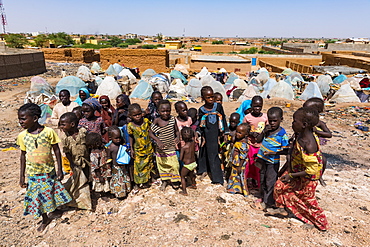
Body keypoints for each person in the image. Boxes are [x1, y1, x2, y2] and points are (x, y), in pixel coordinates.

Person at [271, 107, 329, 231]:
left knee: (308, 202)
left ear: (304, 124)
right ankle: (283, 209)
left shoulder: (309, 144)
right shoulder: (301, 136)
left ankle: (321, 223)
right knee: (280, 186)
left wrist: (291, 175)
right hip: (298, 171)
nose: (292, 123)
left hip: (308, 177)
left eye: (294, 121)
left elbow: (311, 170)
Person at [17, 103, 72, 232]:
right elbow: (23, 156)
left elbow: (57, 151)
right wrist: (21, 176)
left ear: (35, 118)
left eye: (23, 119)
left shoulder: (48, 132)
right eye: (19, 119)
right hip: (34, 173)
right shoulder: (22, 136)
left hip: (49, 170)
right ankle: (45, 218)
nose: (20, 122)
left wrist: (59, 169)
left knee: (51, 191)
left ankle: (53, 210)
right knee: (38, 196)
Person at [252, 107, 289, 210]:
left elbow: (286, 150)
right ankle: (264, 197)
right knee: (262, 178)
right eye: (270, 120)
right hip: (262, 159)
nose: (272, 123)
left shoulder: (282, 134)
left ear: (281, 119)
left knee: (270, 181)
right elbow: (258, 140)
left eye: (275, 121)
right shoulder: (267, 129)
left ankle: (269, 202)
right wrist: (263, 132)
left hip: (272, 162)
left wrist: (272, 152)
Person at [59, 112, 92, 210]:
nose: (61, 127)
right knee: (78, 180)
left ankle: (90, 192)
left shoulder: (83, 132)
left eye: (63, 124)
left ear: (72, 124)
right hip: (76, 162)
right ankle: (78, 200)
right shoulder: (65, 137)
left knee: (88, 176)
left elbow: (89, 145)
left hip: (86, 160)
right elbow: (67, 152)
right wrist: (71, 164)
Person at [198, 86, 229, 185]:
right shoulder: (202, 110)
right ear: (203, 98)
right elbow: (200, 124)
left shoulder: (218, 107)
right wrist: (199, 134)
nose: (211, 99)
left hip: (217, 134)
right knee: (207, 153)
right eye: (208, 97)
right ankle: (210, 173)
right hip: (207, 134)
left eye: (212, 97)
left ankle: (218, 178)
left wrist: (225, 132)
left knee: (215, 155)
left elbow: (223, 119)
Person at [151, 100, 181, 191]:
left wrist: (178, 136)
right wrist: (158, 140)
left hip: (171, 147)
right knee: (163, 165)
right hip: (161, 149)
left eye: (168, 111)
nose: (165, 113)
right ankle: (165, 180)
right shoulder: (157, 121)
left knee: (174, 165)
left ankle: (174, 180)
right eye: (163, 111)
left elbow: (176, 130)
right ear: (158, 111)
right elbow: (150, 132)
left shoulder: (172, 119)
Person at [303, 97, 332, 186]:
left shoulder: (319, 123)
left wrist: (317, 131)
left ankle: (319, 176)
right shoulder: (303, 121)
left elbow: (329, 134)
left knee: (323, 160)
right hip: (302, 146)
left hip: (314, 148)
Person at [127, 103, 154, 192]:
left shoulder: (146, 121)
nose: (138, 116)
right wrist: (131, 148)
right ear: (130, 116)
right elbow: (130, 137)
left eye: (139, 114)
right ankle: (137, 183)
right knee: (139, 166)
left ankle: (147, 180)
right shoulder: (131, 126)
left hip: (148, 147)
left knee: (148, 164)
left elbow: (150, 131)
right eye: (135, 115)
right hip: (138, 149)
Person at [242, 95, 268, 189]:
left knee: (259, 165)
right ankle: (249, 181)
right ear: (251, 106)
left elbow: (268, 129)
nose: (257, 108)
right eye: (255, 106)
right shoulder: (247, 117)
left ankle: (258, 182)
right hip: (250, 145)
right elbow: (244, 129)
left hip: (261, 146)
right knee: (250, 164)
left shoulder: (265, 117)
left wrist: (263, 134)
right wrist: (251, 133)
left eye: (259, 106)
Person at [106, 126, 131, 198]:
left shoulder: (122, 144)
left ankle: (126, 190)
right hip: (116, 167)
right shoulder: (110, 147)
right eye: (116, 138)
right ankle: (119, 194)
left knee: (124, 178)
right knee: (118, 181)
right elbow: (108, 157)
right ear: (110, 138)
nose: (118, 140)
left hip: (123, 165)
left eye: (119, 137)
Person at [86, 132, 111, 201]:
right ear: (97, 143)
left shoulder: (101, 149)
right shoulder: (94, 155)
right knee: (101, 183)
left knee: (106, 181)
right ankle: (102, 194)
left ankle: (107, 191)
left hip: (104, 169)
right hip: (99, 172)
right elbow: (95, 167)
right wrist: (99, 176)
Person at [227, 123, 250, 197]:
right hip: (235, 161)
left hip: (240, 163)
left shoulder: (243, 144)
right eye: (237, 131)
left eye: (240, 133)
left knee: (240, 176)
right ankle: (234, 188)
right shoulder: (238, 141)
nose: (237, 134)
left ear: (246, 134)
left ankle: (243, 190)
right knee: (234, 175)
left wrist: (240, 166)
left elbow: (243, 156)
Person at [179, 127, 197, 196]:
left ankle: (184, 191)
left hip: (187, 164)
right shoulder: (193, 143)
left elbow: (180, 158)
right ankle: (193, 184)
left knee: (182, 176)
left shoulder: (184, 148)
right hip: (193, 163)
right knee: (191, 174)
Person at [223, 112, 240, 180]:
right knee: (225, 161)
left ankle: (230, 175)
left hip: (233, 150)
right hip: (226, 149)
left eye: (235, 122)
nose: (232, 123)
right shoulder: (227, 129)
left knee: (231, 162)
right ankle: (225, 173)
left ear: (238, 122)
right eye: (231, 121)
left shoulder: (238, 130)